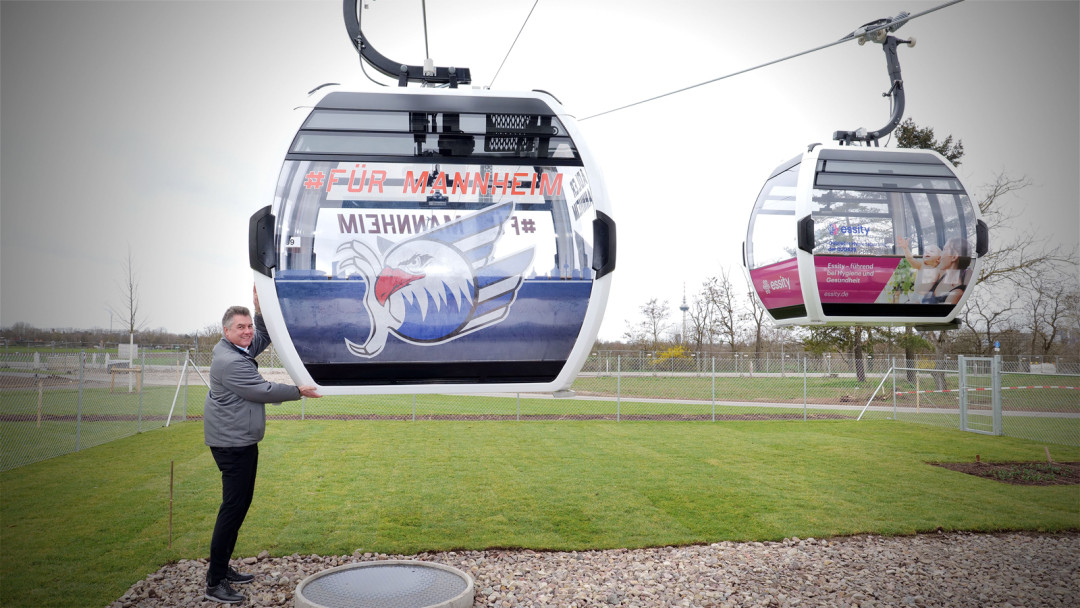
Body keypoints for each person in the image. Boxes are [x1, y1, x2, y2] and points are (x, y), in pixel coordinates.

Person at [203, 288, 320, 604]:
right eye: (240, 327)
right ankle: (215, 582)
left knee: (237, 506)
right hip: (232, 445)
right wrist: (299, 391)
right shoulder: (231, 362)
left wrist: (260, 308)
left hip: (239, 440)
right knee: (233, 509)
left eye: (247, 326)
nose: (247, 332)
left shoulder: (238, 350)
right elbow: (263, 390)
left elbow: (265, 333)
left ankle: (221, 567)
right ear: (226, 331)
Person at [921, 237, 971, 305]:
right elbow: (920, 291)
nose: (940, 254)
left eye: (944, 250)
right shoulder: (940, 275)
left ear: (954, 257)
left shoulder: (956, 293)